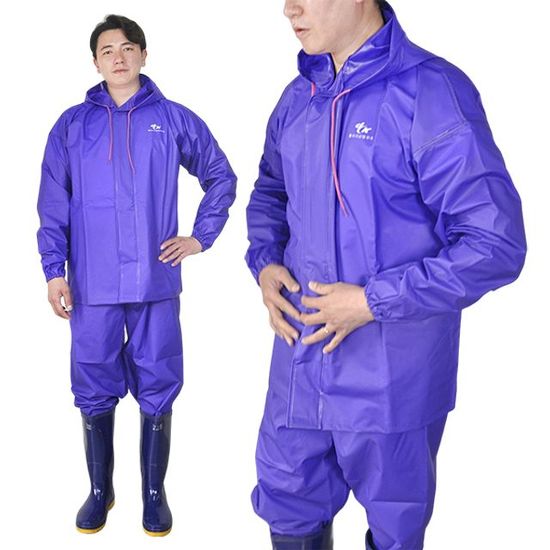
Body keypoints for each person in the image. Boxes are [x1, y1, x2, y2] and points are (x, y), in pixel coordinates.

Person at [245, 1, 526, 549]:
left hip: (391, 377)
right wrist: (265, 262)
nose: (288, 8)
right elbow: (271, 191)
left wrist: (372, 301)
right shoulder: (298, 98)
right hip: (299, 369)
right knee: (286, 502)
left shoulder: (430, 92)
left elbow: (494, 243)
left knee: (395, 525)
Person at [36, 14, 236, 537]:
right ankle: (99, 490)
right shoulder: (71, 127)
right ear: (95, 62)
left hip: (155, 281)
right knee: (92, 382)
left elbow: (220, 175)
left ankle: (153, 492)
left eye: (128, 47)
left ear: (144, 55)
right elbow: (53, 204)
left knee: (158, 380)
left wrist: (200, 237)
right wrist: (54, 270)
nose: (118, 57)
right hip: (91, 285)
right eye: (107, 50)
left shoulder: (172, 119)